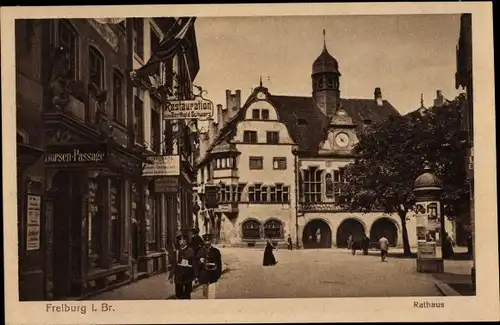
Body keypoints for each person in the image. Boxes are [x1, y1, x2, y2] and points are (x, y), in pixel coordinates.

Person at [195, 233, 222, 299]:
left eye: (209, 241)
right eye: (206, 241)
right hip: (203, 275)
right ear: (204, 241)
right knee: (205, 294)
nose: (207, 242)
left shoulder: (216, 251)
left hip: (213, 274)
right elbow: (196, 263)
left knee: (212, 294)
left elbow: (219, 264)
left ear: (211, 241)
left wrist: (218, 274)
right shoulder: (200, 251)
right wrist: (200, 261)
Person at [168, 235, 195, 299]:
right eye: (180, 240)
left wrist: (195, 276)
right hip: (178, 276)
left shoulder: (190, 251)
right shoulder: (176, 252)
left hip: (188, 276)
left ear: (186, 242)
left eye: (183, 240)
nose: (181, 242)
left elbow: (194, 264)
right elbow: (173, 265)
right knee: (178, 294)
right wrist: (171, 276)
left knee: (187, 293)